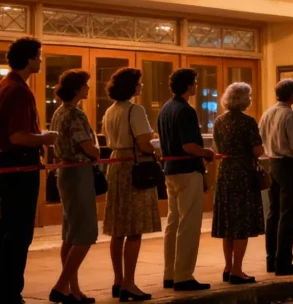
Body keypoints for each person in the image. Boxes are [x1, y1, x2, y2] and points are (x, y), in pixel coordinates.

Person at [0, 37, 57, 304]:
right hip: (19, 164)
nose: (40, 61)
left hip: (5, 162)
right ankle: (10, 294)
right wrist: (44, 139)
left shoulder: (0, 87)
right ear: (29, 58)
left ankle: (1, 291)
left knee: (7, 231)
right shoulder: (17, 90)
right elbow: (17, 136)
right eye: (39, 56)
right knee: (18, 233)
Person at [102, 68, 160, 302]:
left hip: (116, 166)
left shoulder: (110, 110)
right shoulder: (136, 110)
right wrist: (155, 144)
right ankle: (130, 283)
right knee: (134, 229)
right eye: (139, 83)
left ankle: (118, 280)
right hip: (134, 167)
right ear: (132, 86)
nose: (141, 87)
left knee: (118, 229)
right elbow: (144, 144)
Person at [158, 68, 214, 292]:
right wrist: (207, 153)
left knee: (173, 223)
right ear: (189, 85)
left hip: (170, 170)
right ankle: (184, 275)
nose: (196, 86)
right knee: (189, 223)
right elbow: (189, 145)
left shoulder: (165, 109)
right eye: (195, 83)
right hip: (187, 170)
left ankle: (169, 273)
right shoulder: (186, 111)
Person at [48, 70, 100, 304]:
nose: (89, 88)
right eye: (86, 85)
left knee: (70, 233)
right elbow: (87, 147)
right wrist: (97, 152)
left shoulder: (58, 112)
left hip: (64, 172)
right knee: (85, 233)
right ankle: (61, 285)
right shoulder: (75, 114)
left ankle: (73, 290)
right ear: (78, 88)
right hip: (78, 173)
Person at [211, 82, 264, 285]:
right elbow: (257, 150)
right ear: (243, 99)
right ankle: (238, 270)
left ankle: (228, 266)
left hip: (225, 172)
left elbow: (217, 145)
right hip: (242, 173)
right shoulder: (247, 122)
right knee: (242, 222)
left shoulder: (219, 121)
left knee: (228, 223)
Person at [260, 79, 293, 275]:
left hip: (273, 162)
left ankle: (271, 259)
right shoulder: (291, 115)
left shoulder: (267, 113)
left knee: (274, 213)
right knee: (289, 214)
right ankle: (284, 261)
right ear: (291, 94)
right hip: (289, 164)